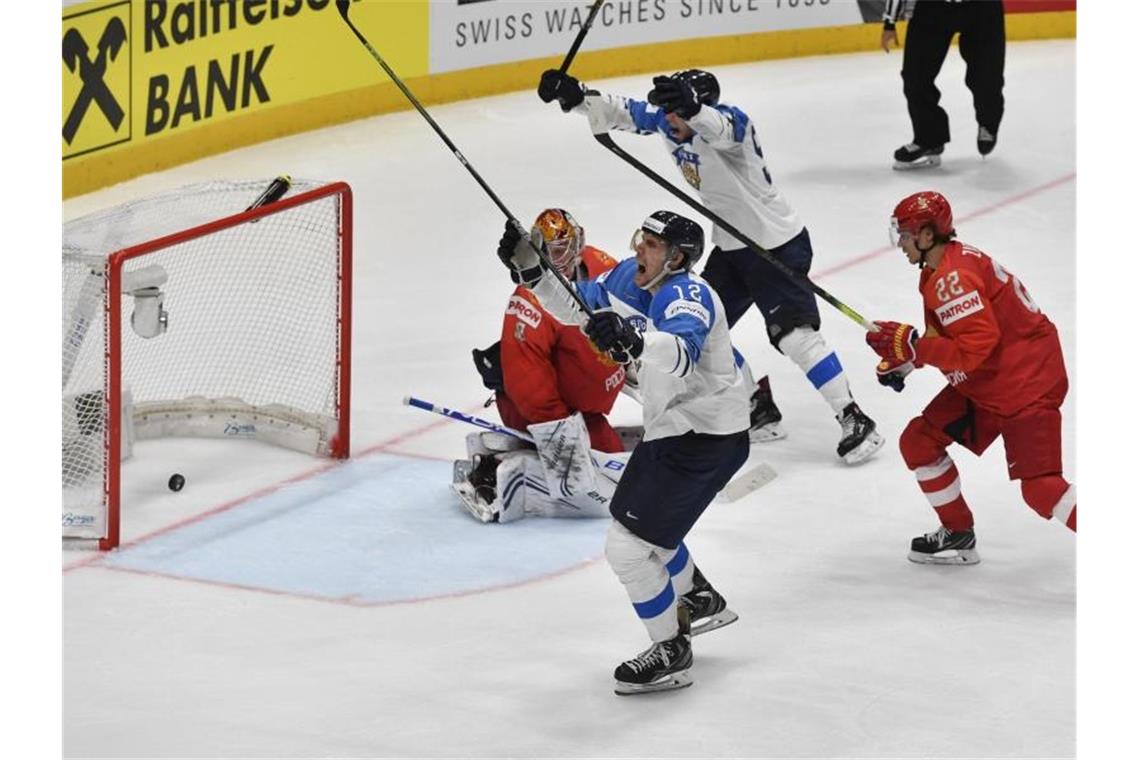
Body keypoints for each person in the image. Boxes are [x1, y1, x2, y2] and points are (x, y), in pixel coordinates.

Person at [536, 66, 884, 464]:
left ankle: (854, 417)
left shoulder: (731, 129)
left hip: (775, 243)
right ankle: (757, 407)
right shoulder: (670, 122)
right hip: (732, 246)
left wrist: (694, 108)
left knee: (794, 336)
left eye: (678, 111)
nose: (670, 122)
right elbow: (626, 112)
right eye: (668, 112)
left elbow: (722, 126)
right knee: (703, 326)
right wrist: (577, 95)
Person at [501, 208, 749, 695]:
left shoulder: (688, 295)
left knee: (628, 547)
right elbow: (576, 306)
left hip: (705, 436)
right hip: (675, 429)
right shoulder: (626, 279)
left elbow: (680, 355)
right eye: (642, 239)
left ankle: (670, 651)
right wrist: (534, 274)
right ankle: (697, 598)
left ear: (677, 258)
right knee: (638, 524)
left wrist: (635, 339)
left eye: (652, 246)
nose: (639, 249)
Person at [866, 191, 1075, 565]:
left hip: (1026, 383)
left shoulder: (952, 278)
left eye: (906, 234)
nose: (901, 243)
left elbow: (974, 348)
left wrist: (914, 346)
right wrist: (908, 359)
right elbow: (954, 338)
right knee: (919, 442)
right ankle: (958, 534)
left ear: (927, 235)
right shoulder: (941, 267)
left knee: (1042, 490)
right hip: (992, 380)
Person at [453, 209, 630, 523]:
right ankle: (499, 470)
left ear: (579, 243)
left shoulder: (603, 266)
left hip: (587, 410)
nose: (556, 259)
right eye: (546, 252)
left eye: (561, 249)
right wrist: (559, 438)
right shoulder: (529, 301)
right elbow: (528, 382)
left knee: (620, 469)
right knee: (604, 489)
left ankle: (524, 452)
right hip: (544, 412)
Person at [881, 0, 1006, 169]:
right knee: (915, 76)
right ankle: (929, 139)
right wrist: (890, 21)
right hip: (933, 7)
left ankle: (988, 123)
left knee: (986, 76)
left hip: (982, 8)